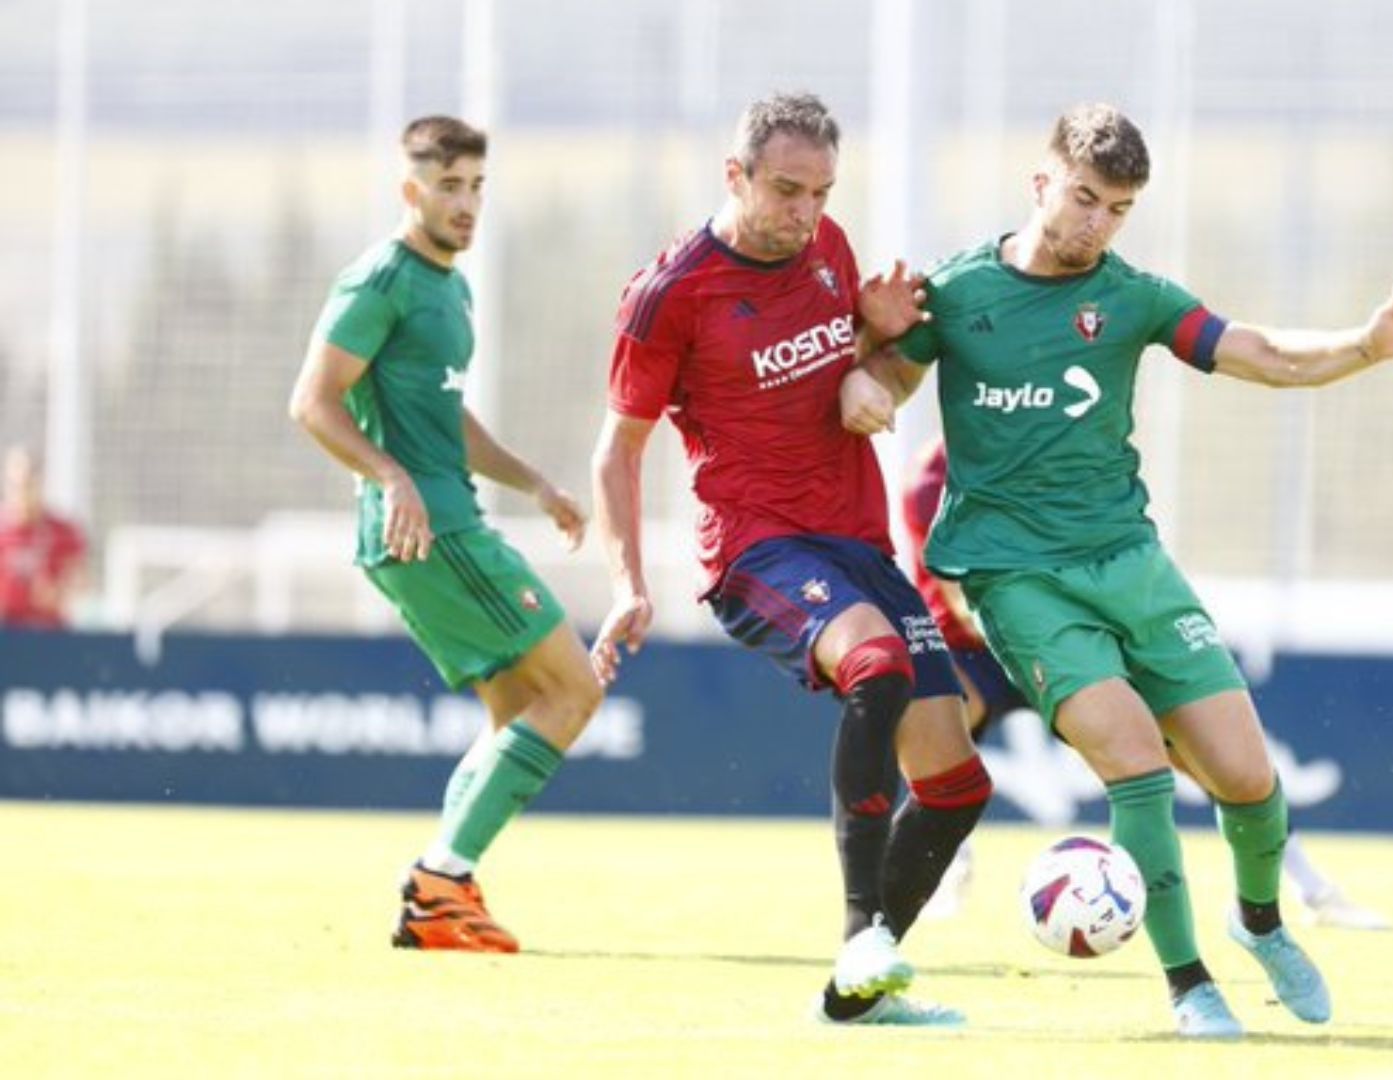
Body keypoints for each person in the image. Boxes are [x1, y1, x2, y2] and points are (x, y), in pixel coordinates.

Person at [843, 103, 1393, 1038]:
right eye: (1084, 198)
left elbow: (1258, 353)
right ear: (1041, 181)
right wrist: (866, 379)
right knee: (1135, 765)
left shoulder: (1133, 298)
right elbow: (890, 371)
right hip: (1018, 581)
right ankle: (1189, 985)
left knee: (1249, 780)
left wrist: (1365, 345)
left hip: (1133, 565)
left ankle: (1259, 923)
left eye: (1118, 209)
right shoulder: (959, 291)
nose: (1096, 224)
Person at [590, 92, 989, 1028]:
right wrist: (626, 585)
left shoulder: (830, 248)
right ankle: (863, 935)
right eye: (784, 190)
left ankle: (856, 993)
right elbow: (619, 449)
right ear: (734, 176)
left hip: (859, 542)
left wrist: (877, 342)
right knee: (876, 667)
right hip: (757, 547)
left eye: (820, 192)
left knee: (958, 785)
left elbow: (851, 357)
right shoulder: (670, 294)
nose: (805, 213)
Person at [289, 115, 604, 954]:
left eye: (476, 188)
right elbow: (312, 402)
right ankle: (440, 881)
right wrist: (391, 477)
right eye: (449, 186)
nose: (466, 204)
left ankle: (443, 886)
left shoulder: (450, 286)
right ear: (411, 191)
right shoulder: (380, 280)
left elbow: (442, 413)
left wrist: (535, 482)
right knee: (575, 689)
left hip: (442, 519)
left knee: (517, 711)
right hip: (428, 529)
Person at [901, 439, 1389, 931]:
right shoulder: (932, 482)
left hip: (1065, 640)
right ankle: (947, 868)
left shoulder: (1054, 452)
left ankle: (1311, 889)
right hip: (978, 644)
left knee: (1208, 761)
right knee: (935, 720)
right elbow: (961, 598)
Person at [0, 446, 87, 630]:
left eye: (28, 483)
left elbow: (80, 581)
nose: (21, 492)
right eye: (14, 484)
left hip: (48, 633)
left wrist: (57, 592)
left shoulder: (63, 531)